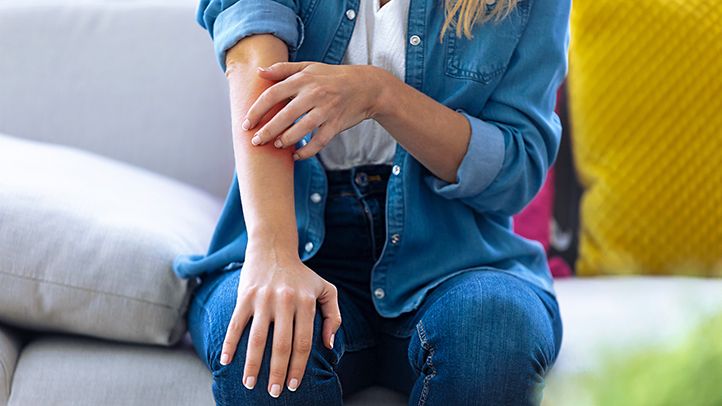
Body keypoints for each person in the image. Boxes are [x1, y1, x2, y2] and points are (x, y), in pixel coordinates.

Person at [174, 0, 570, 404]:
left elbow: (517, 174)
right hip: (291, 238)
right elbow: (256, 77)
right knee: (262, 335)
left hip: (457, 259)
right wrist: (275, 253)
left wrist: (381, 95)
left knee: (495, 333)